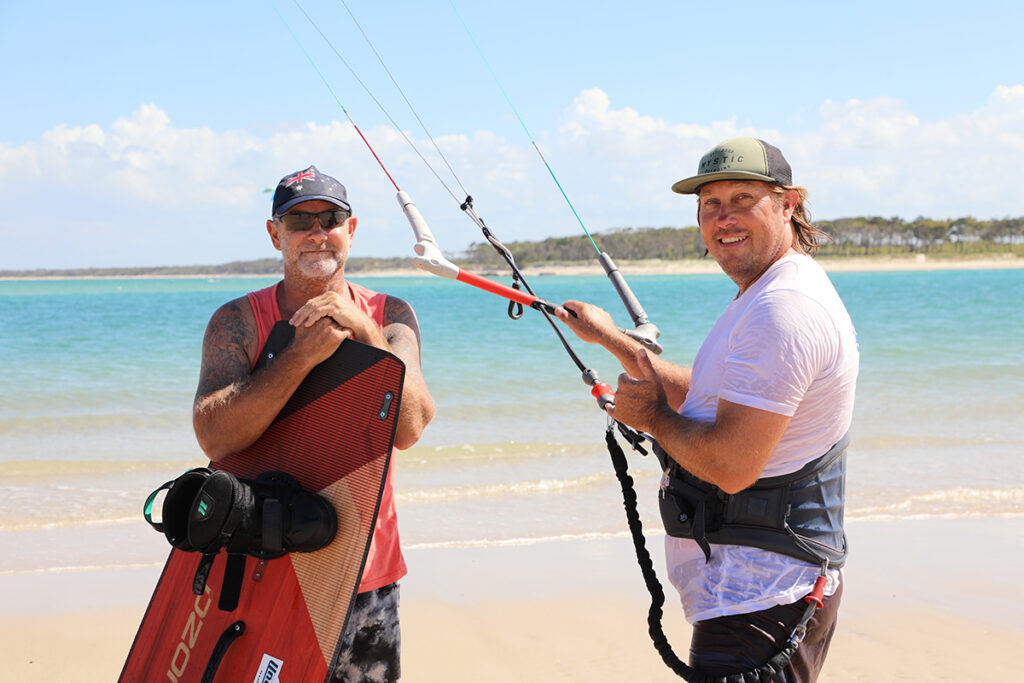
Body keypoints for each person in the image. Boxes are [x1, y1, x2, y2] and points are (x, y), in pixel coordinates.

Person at [555, 138, 858, 682]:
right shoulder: (769, 291)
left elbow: (731, 465)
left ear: (789, 204)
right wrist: (614, 341)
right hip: (763, 590)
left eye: (743, 199)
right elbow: (721, 396)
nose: (724, 218)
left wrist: (652, 419)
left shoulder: (783, 309)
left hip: (764, 595)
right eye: (710, 204)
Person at [193, 165, 435, 682]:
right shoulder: (236, 321)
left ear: (351, 230)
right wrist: (298, 357)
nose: (316, 232)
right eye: (299, 220)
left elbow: (411, 428)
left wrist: (366, 332)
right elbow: (214, 435)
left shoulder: (391, 314)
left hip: (365, 573)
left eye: (330, 217)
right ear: (274, 233)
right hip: (262, 561)